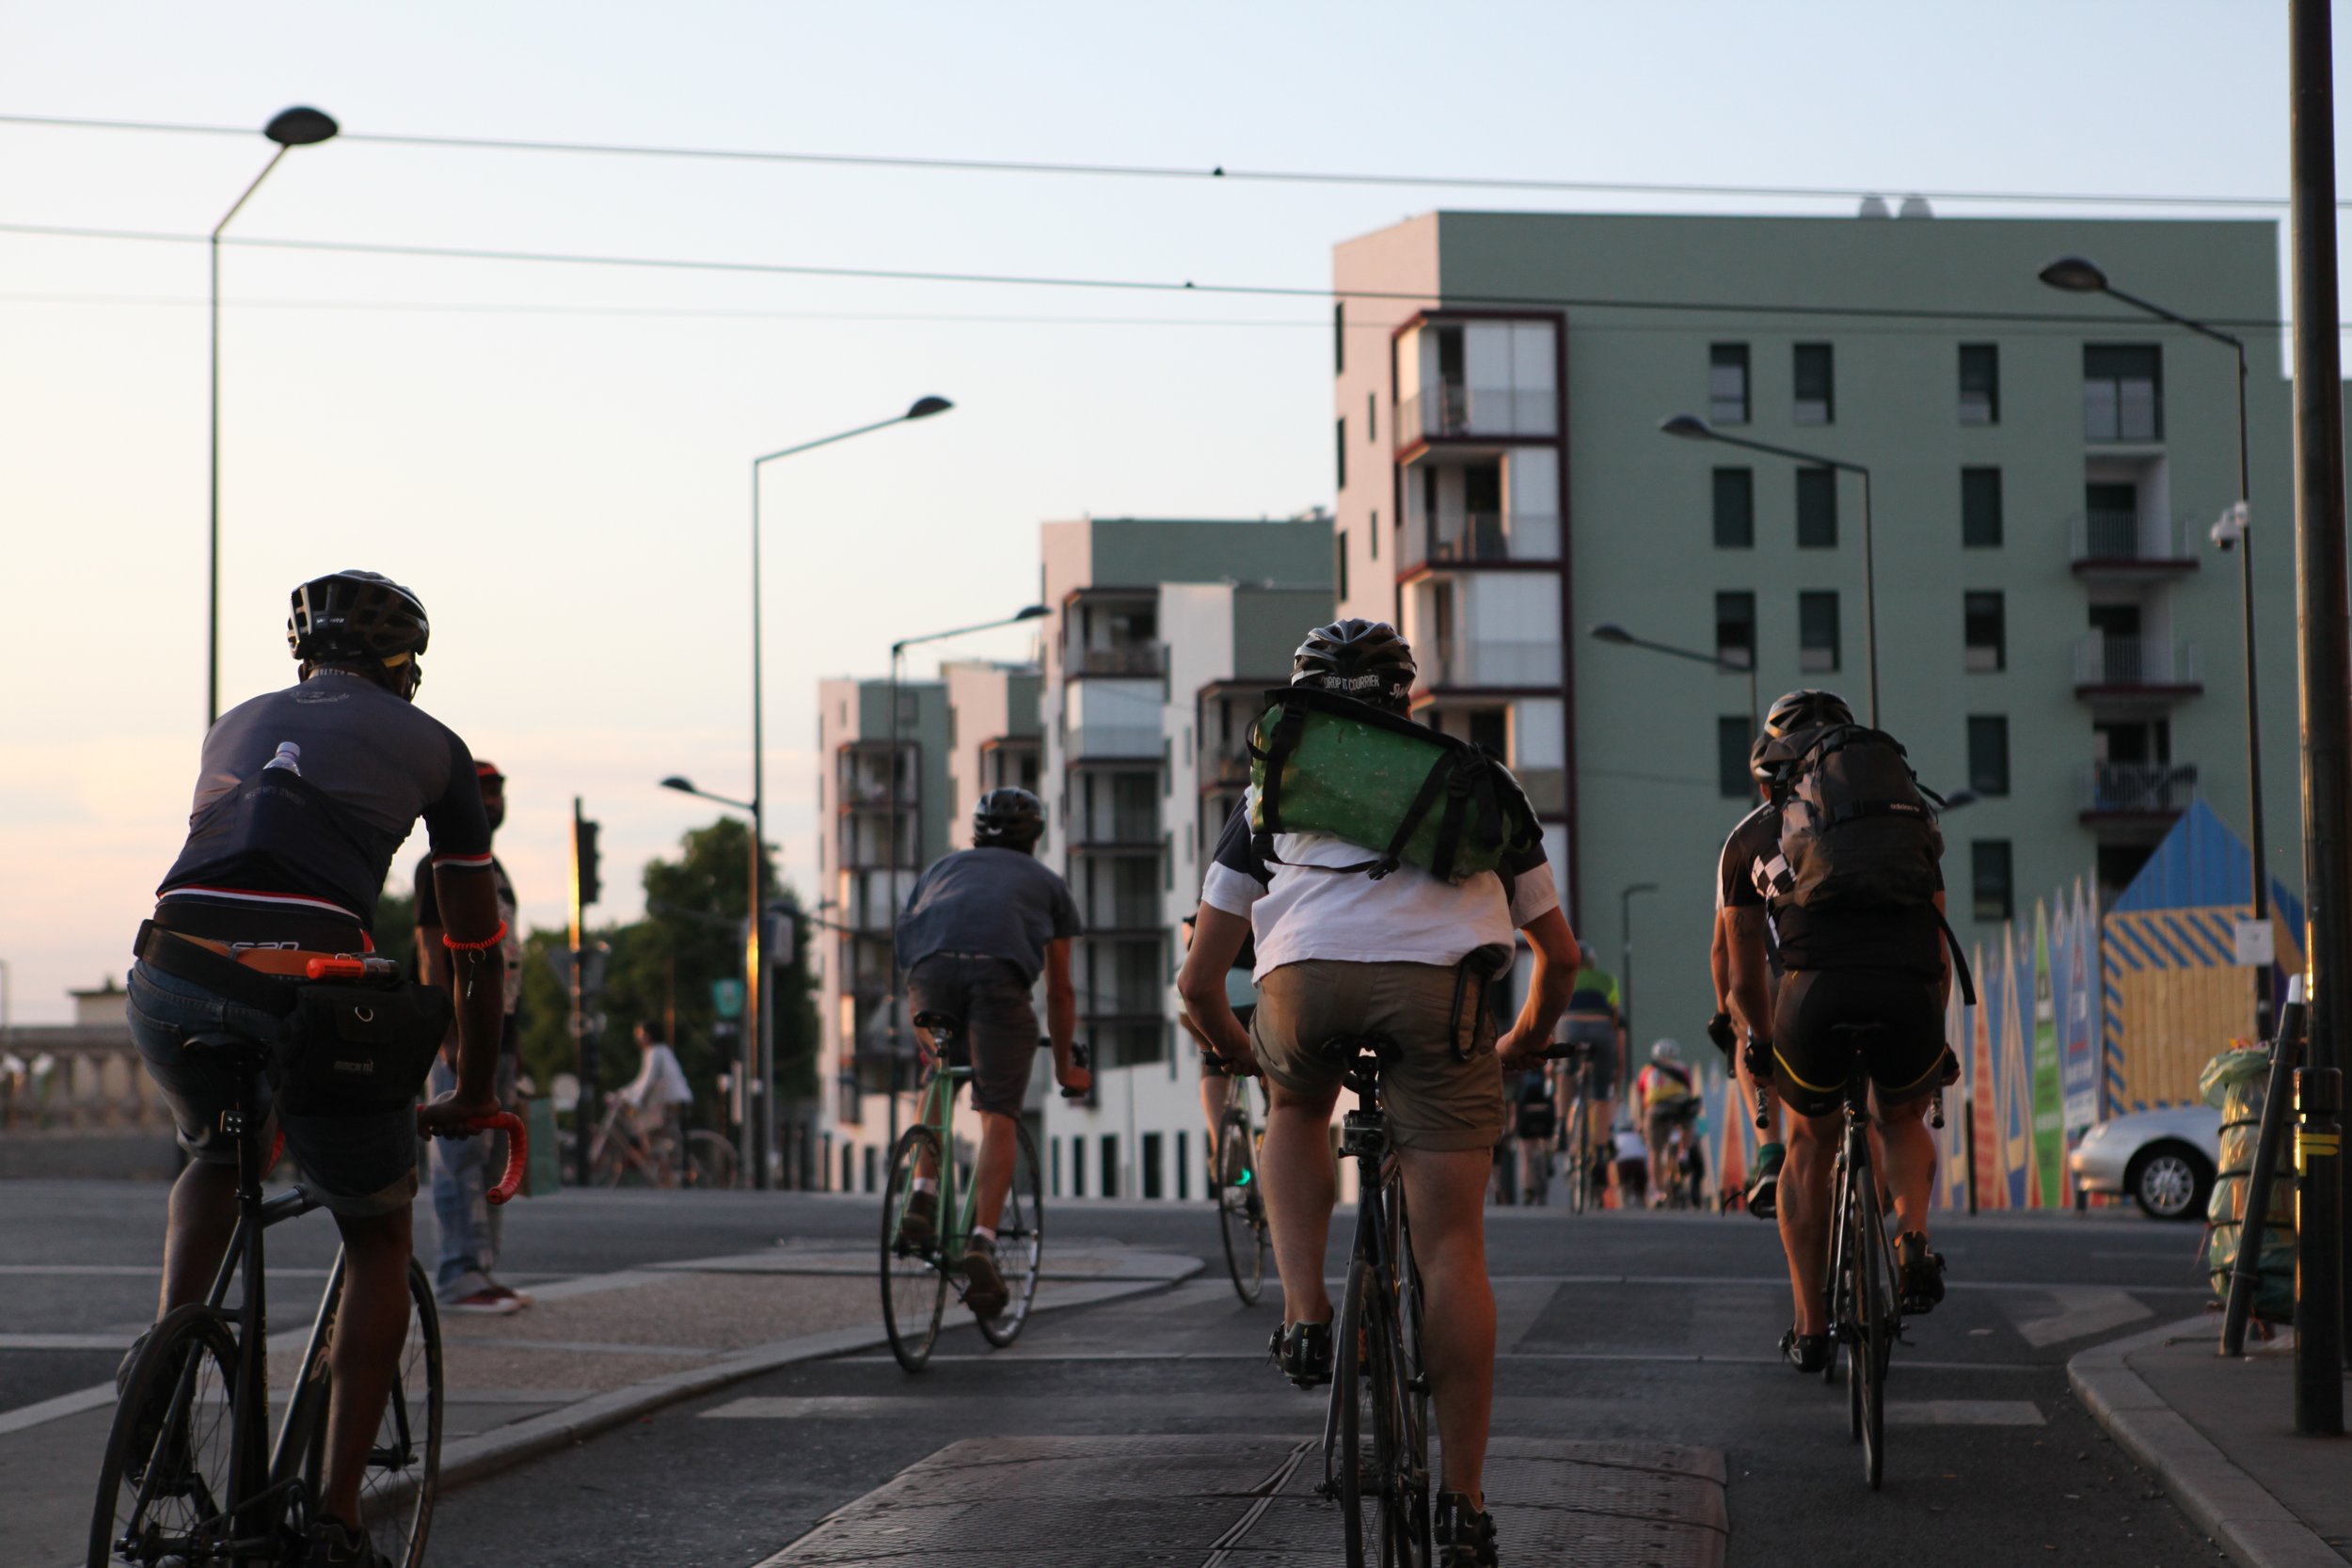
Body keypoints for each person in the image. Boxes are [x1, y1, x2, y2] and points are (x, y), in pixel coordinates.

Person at [123, 570, 506, 1568]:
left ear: (303, 655)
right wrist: (474, 1085)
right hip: (305, 984)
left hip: (170, 960)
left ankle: (163, 1361)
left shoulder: (235, 719)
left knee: (213, 1150)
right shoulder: (436, 748)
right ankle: (335, 1520)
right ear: (404, 667)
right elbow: (471, 946)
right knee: (379, 1230)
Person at [1179, 618, 1578, 1568]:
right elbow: (1557, 951)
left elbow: (1198, 981)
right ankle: (1464, 1504)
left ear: (1302, 695)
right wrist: (1524, 1035)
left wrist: (1246, 1056)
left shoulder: (1269, 791)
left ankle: (1307, 1311)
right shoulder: (1477, 776)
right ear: (1409, 694)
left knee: (1297, 1108)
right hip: (1441, 999)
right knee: (1451, 1247)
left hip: (1302, 987)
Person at [1721, 689, 1957, 1373]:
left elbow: (1738, 980)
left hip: (1813, 996)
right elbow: (1939, 945)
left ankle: (1811, 1324)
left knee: (1808, 1142)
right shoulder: (1908, 817)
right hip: (1907, 988)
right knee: (1903, 1116)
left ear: (1774, 771)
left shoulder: (1750, 839)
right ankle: (1912, 1236)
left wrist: (1763, 1046)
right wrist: (1934, 1040)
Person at [894, 786, 1091, 1317]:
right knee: (998, 1111)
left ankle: (923, 1192)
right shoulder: (1049, 885)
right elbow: (1060, 990)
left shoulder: (940, 869)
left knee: (937, 1075)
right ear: (1037, 836)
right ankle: (982, 1239)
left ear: (976, 833)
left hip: (927, 974)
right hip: (998, 981)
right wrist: (1065, 1067)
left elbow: (907, 938)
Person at [414, 759, 528, 1315]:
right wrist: (449, 1035)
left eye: (500, 793)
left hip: (499, 1036)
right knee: (459, 1161)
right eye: (484, 793)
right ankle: (460, 1273)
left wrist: (516, 1047)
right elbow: (435, 953)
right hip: (461, 1038)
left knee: (489, 1163)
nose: (494, 803)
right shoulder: (438, 866)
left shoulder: (494, 867)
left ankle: (482, 1269)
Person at [1711, 730, 1795, 1218]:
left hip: (1795, 980)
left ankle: (1770, 1152)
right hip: (1889, 976)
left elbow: (1725, 952)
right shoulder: (1885, 823)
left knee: (1746, 1010)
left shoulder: (1745, 840)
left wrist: (1734, 1021)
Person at [1178, 913, 1259, 1194]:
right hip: (1253, 990)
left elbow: (1189, 937)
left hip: (1194, 994)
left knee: (1212, 1054)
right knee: (1273, 1057)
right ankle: (1277, 1127)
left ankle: (1221, 1145)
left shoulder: (1221, 881)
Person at [1554, 944, 1623, 1207]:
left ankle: (1561, 1125)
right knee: (1601, 1091)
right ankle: (1602, 1150)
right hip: (1601, 1030)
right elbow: (1615, 1018)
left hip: (1570, 1026)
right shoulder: (1608, 980)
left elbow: (1554, 1011)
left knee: (1566, 1072)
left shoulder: (1564, 977)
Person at [612, 1020, 696, 1178]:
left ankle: (669, 1171)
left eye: (641, 1034)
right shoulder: (658, 1051)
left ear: (649, 1035)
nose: (638, 1038)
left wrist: (629, 1097)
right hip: (672, 1100)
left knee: (648, 1129)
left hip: (671, 1101)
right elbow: (643, 1081)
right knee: (653, 1134)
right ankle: (664, 1168)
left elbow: (646, 1081)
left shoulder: (656, 1052)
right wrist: (625, 1093)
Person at [1632, 1038, 1697, 1206]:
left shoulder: (1647, 1071)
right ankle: (1684, 1152)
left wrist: (1640, 1122)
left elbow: (1642, 1098)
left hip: (1656, 1109)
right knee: (1688, 1122)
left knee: (1654, 1150)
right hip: (1679, 1106)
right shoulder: (1682, 1068)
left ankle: (1658, 1191)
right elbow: (1689, 1092)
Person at [1511, 1070, 1557, 1206]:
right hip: (1546, 1111)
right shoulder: (1547, 1073)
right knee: (1546, 1138)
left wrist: (1513, 1127)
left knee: (1526, 1155)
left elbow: (1515, 1105)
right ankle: (1548, 1156)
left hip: (1526, 1113)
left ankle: (1528, 1189)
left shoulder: (1521, 1074)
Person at [1611, 1122, 1650, 1208]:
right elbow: (1645, 1153)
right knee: (1640, 1185)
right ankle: (1641, 1201)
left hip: (1623, 1162)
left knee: (1624, 1184)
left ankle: (1624, 1202)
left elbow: (1613, 1156)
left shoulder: (1617, 1138)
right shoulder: (1638, 1137)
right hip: (1638, 1161)